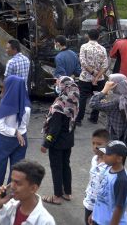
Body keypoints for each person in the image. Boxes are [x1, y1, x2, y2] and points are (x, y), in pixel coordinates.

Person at [0, 75, 31, 196]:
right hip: (22, 139)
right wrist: (18, 133)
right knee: (17, 169)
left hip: (5, 140)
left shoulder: (6, 104)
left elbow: (0, 125)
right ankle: (13, 192)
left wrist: (13, 132)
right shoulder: (26, 106)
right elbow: (24, 125)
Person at [41, 76, 79, 205]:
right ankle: (67, 193)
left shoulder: (59, 105)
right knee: (65, 166)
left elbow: (53, 130)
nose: (57, 85)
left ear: (64, 86)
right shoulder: (74, 102)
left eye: (58, 83)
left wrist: (46, 143)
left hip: (57, 144)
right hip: (68, 142)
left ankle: (57, 195)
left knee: (56, 168)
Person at [0, 160, 55, 225]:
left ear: (33, 188)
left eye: (18, 183)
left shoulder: (45, 222)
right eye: (12, 181)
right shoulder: (9, 205)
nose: (12, 187)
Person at [90, 140, 127, 225]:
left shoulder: (121, 180)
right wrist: (94, 214)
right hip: (99, 219)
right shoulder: (108, 169)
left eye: (108, 154)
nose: (104, 156)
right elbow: (100, 195)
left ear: (119, 158)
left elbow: (119, 208)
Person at [90, 74, 127, 140]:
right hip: (122, 133)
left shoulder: (115, 101)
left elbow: (93, 103)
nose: (107, 83)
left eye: (110, 82)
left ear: (115, 85)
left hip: (113, 135)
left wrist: (104, 90)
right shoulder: (126, 97)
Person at [78, 29, 108, 126]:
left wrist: (92, 72)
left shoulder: (84, 47)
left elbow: (83, 62)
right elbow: (105, 65)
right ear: (99, 37)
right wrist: (97, 76)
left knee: (82, 98)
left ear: (88, 36)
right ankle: (94, 118)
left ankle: (79, 119)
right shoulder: (102, 49)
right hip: (99, 79)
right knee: (97, 97)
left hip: (85, 78)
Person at [83, 129, 110, 224]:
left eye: (98, 144)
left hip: (99, 207)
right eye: (93, 143)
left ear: (107, 145)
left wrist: (96, 211)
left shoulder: (108, 166)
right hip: (89, 201)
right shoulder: (94, 159)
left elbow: (106, 191)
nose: (95, 147)